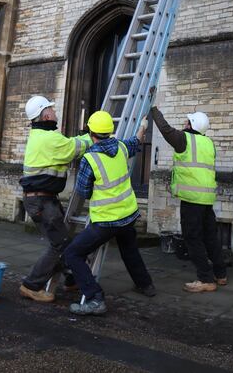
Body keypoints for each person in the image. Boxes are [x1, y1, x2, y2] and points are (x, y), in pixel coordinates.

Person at [64, 110, 156, 316]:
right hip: (128, 215)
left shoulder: (90, 159)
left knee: (73, 253)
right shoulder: (122, 147)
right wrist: (143, 126)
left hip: (105, 221)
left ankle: (95, 298)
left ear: (91, 132)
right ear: (110, 131)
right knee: (130, 250)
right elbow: (136, 141)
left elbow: (83, 191)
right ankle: (146, 285)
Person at [19, 95, 93, 303]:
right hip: (42, 201)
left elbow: (66, 145)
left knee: (64, 243)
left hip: (44, 199)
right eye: (52, 109)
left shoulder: (42, 136)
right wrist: (93, 135)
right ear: (46, 114)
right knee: (59, 245)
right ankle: (31, 285)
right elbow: (75, 147)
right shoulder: (49, 139)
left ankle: (72, 279)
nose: (55, 112)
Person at [151, 105, 227, 293]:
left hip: (192, 199)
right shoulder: (208, 143)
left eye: (187, 121)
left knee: (193, 238)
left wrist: (154, 110)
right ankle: (220, 274)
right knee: (210, 237)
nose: (184, 123)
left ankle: (206, 279)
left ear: (192, 125)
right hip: (206, 198)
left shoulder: (185, 139)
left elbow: (166, 130)